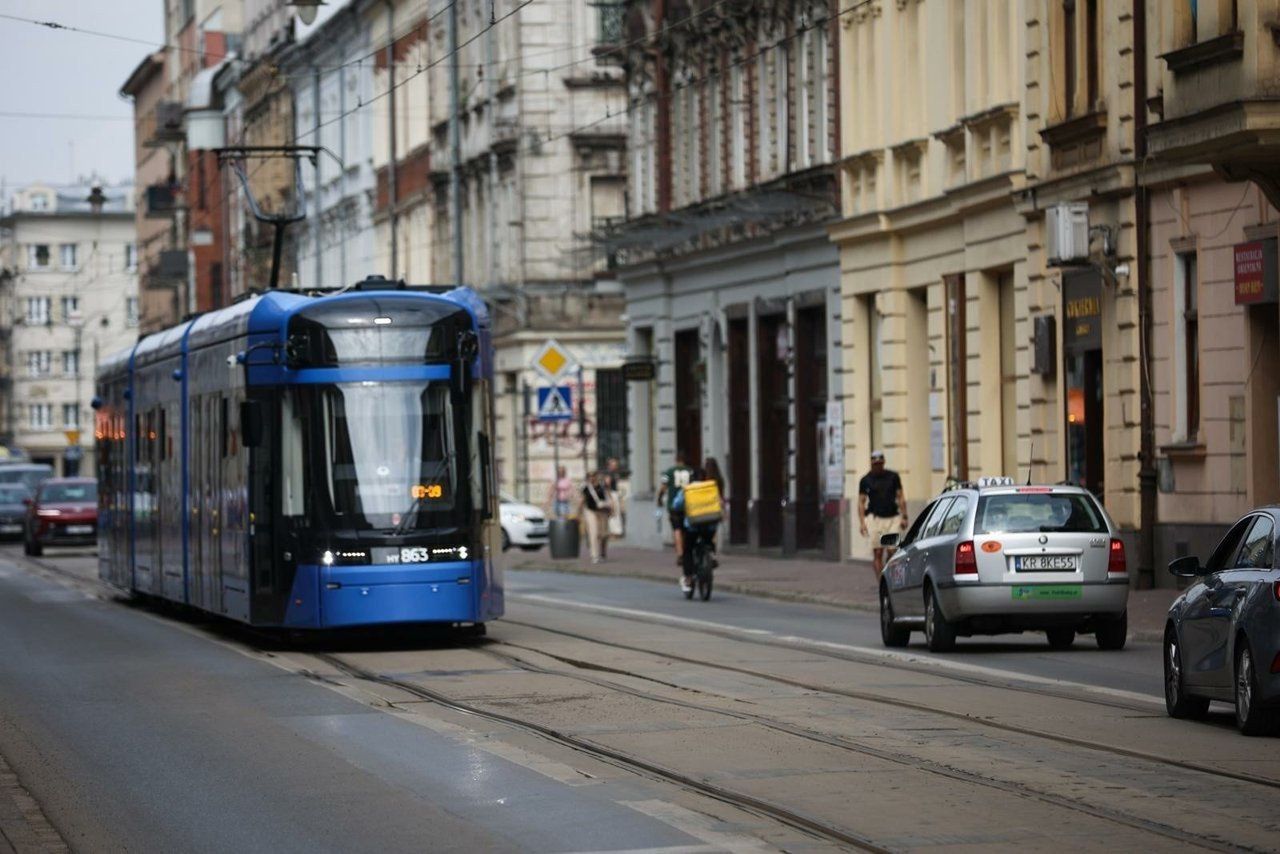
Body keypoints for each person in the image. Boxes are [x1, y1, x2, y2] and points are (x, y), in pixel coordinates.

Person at [858, 449, 908, 580]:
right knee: (878, 552)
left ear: (884, 462)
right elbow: (861, 502)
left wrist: (904, 516)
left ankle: (890, 578)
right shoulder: (865, 480)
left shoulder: (893, 477)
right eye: (875, 463)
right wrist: (862, 523)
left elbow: (900, 497)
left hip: (892, 518)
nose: (878, 466)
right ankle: (881, 582)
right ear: (871, 463)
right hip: (875, 519)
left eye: (880, 463)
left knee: (892, 551)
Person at [672, 467, 720, 594]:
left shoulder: (688, 489)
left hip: (693, 526)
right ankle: (712, 555)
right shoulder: (710, 487)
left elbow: (677, 504)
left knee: (687, 549)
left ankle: (688, 578)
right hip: (709, 525)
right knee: (709, 540)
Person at [656, 451, 694, 567]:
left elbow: (663, 487)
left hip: (674, 505)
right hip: (688, 505)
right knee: (687, 529)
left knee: (676, 529)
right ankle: (688, 551)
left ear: (676, 460)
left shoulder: (669, 472)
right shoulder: (690, 471)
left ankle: (680, 554)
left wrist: (659, 498)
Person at [579, 470, 612, 564]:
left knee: (604, 534)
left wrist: (611, 509)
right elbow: (582, 500)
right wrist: (579, 513)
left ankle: (603, 553)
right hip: (590, 511)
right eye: (589, 476)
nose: (591, 478)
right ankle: (594, 556)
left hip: (602, 512)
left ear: (597, 476)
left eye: (593, 475)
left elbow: (608, 496)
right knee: (593, 533)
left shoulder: (602, 486)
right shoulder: (585, 488)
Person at [605, 456, 626, 538]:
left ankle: (617, 531)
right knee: (613, 512)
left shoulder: (614, 473)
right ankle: (613, 532)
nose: (615, 466)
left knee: (616, 512)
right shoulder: (609, 473)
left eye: (616, 465)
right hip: (611, 494)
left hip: (615, 494)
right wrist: (610, 498)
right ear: (609, 465)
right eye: (613, 465)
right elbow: (607, 485)